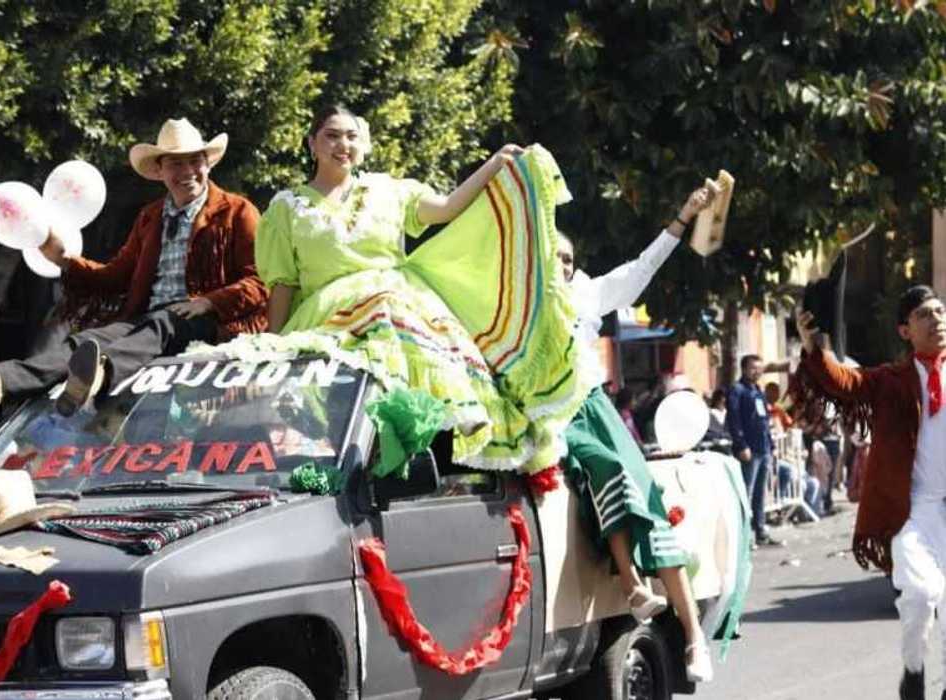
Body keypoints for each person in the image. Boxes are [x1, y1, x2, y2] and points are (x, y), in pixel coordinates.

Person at [256, 104, 579, 470]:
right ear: (312, 143)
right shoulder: (286, 208)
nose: (342, 144)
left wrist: (494, 164)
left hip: (399, 307)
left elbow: (446, 207)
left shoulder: (389, 190)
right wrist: (274, 346)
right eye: (331, 135)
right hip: (328, 319)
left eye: (351, 136)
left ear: (363, 145)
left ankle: (423, 470)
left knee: (431, 382)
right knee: (342, 412)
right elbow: (283, 284)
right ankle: (364, 475)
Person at [0, 117, 268, 416]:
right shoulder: (150, 217)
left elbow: (260, 282)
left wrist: (209, 302)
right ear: (159, 171)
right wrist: (64, 261)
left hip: (206, 322)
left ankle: (99, 376)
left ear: (208, 164)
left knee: (162, 323)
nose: (187, 171)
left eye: (195, 160)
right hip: (146, 324)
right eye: (175, 163)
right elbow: (116, 277)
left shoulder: (238, 211)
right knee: (88, 340)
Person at [557, 181, 721, 683]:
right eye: (551, 258)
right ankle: (631, 584)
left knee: (645, 494)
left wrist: (685, 214)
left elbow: (641, 269)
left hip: (593, 407)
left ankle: (694, 638)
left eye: (566, 258)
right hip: (554, 420)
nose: (560, 266)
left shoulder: (585, 293)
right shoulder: (521, 309)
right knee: (607, 476)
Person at [791, 286, 946, 700]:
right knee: (921, 595)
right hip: (913, 511)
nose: (937, 320)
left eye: (940, 311)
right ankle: (913, 672)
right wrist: (814, 348)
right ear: (905, 330)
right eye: (924, 315)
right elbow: (844, 381)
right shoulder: (890, 381)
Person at [726, 355, 781, 547]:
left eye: (759, 368)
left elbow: (764, 419)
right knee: (746, 494)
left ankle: (761, 531)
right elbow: (733, 420)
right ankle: (745, 537)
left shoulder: (758, 390)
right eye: (753, 368)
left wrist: (771, 445)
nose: (757, 372)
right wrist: (741, 445)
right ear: (743, 369)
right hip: (749, 449)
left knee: (761, 494)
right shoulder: (737, 390)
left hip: (763, 448)